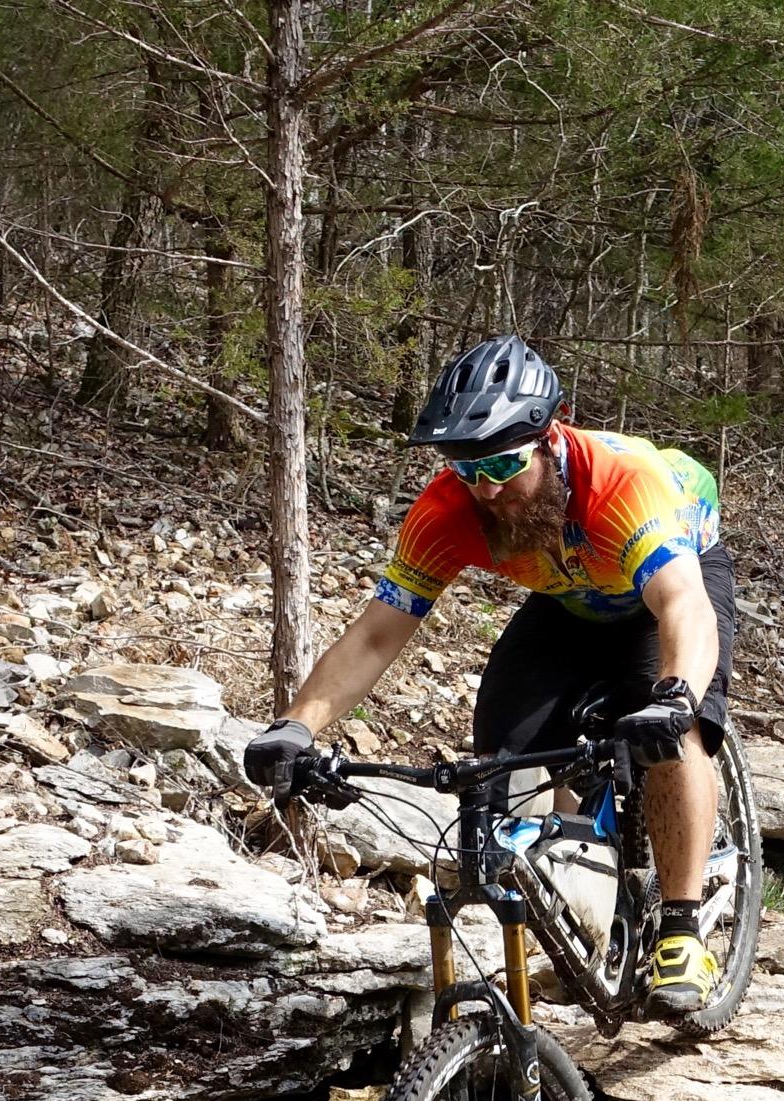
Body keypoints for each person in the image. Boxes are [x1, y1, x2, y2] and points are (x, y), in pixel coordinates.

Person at [243, 334, 735, 1015]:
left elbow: (680, 603)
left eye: (505, 463)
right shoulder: (450, 508)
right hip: (570, 597)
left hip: (666, 588)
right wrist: (296, 728)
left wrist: (676, 696)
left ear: (548, 436)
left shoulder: (622, 483)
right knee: (503, 744)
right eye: (468, 468)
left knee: (670, 734)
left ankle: (681, 929)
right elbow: (377, 633)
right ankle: (579, 883)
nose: (490, 489)